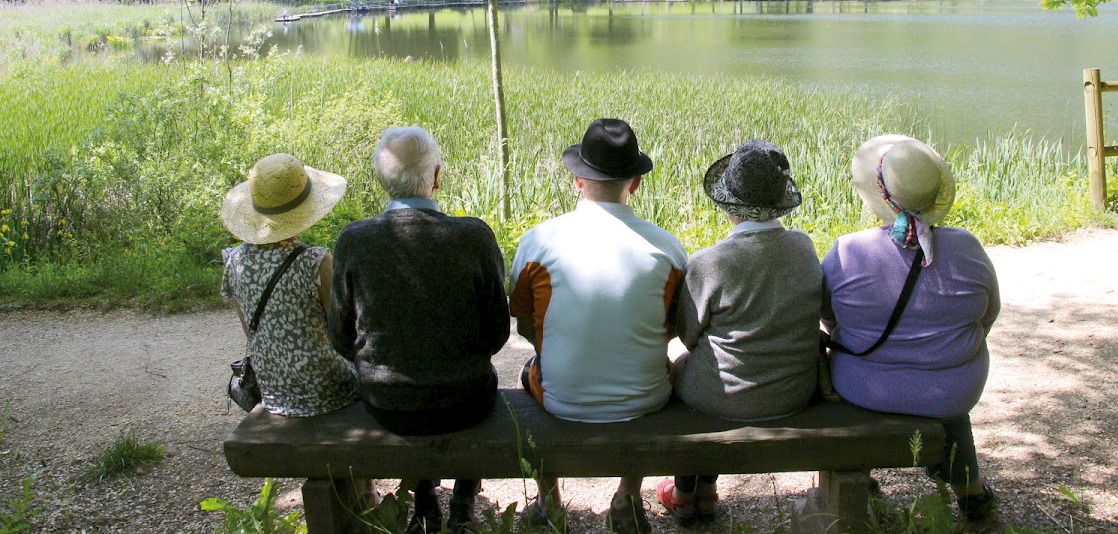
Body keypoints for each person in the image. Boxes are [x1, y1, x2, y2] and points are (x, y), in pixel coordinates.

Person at [328, 126, 511, 534]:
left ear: (382, 181)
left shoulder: (354, 241)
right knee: (480, 379)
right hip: (466, 400)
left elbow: (341, 337)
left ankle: (426, 498)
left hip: (386, 403)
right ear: (437, 176)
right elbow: (497, 334)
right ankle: (463, 498)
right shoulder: (474, 237)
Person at [509, 118, 688, 534]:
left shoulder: (538, 240)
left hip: (560, 399)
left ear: (577, 180)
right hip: (645, 398)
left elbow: (523, 324)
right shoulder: (667, 247)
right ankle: (627, 496)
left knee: (527, 371)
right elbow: (674, 327)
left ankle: (549, 497)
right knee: (661, 366)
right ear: (636, 183)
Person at [821, 135, 1000, 521]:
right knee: (947, 391)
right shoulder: (967, 247)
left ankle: (860, 476)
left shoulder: (847, 251)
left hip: (862, 386)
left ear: (881, 196)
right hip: (952, 391)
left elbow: (829, 318)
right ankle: (970, 492)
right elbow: (987, 316)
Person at [656, 139, 824, 524]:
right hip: (792, 392)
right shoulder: (803, 247)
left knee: (681, 369)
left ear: (729, 205)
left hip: (723, 397)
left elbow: (688, 334)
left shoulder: (709, 262)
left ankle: (686, 491)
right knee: (702, 371)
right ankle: (706, 490)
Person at [220, 153, 357, 417]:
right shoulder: (314, 262)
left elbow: (250, 331)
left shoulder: (233, 261)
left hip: (274, 392)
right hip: (330, 391)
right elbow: (342, 333)